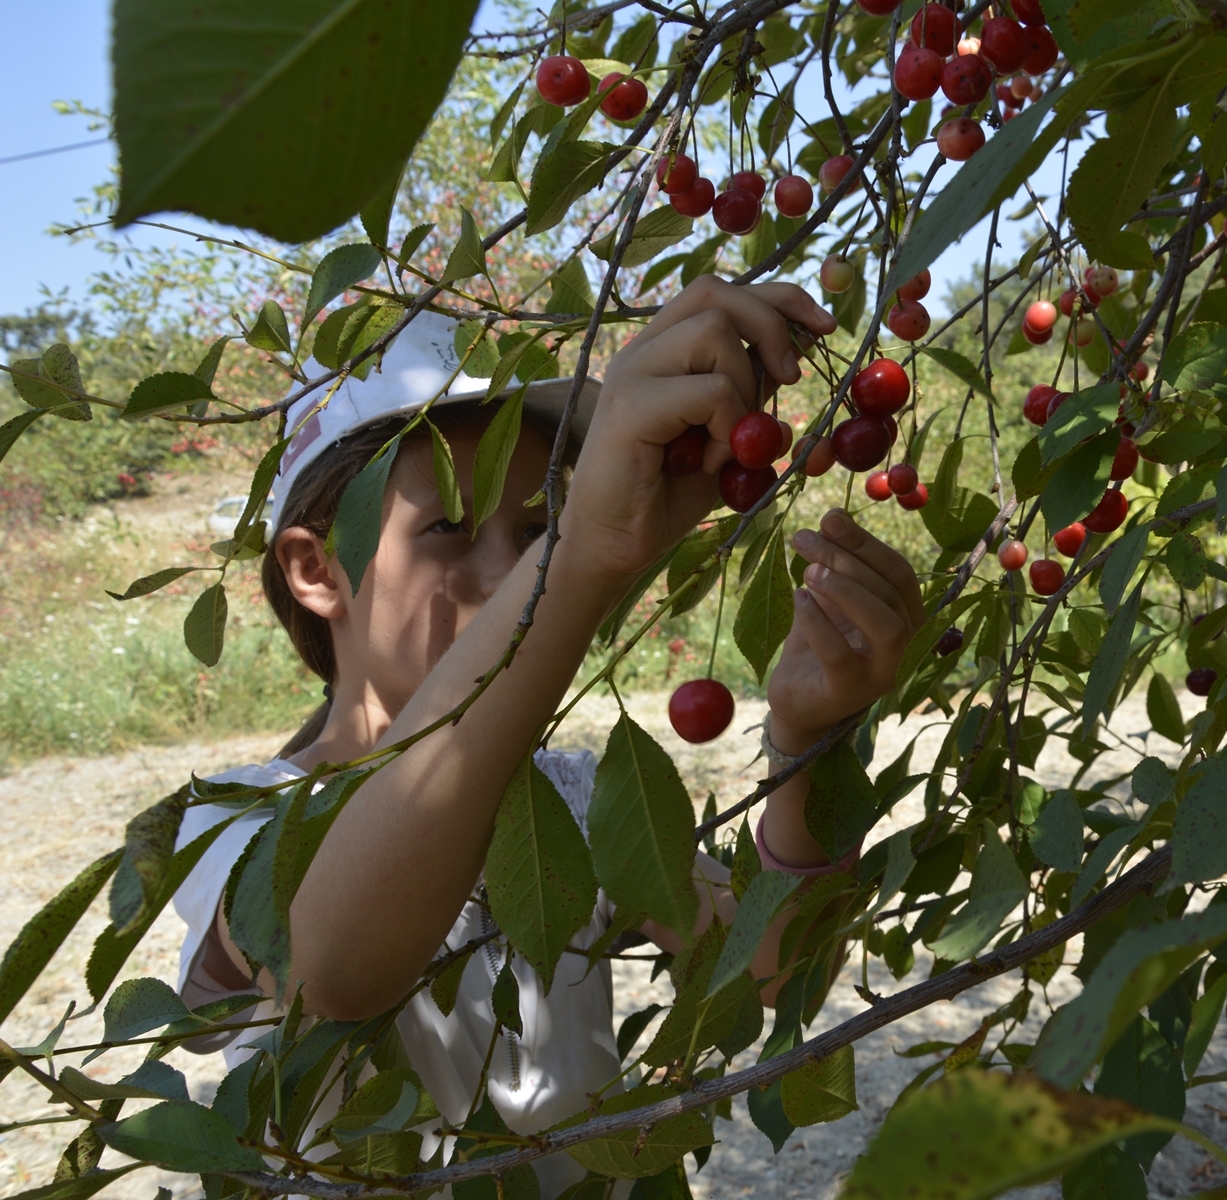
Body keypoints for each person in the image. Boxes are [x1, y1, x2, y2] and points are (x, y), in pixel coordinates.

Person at [169, 278, 924, 1192]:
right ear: (315, 569)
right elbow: (335, 970)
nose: (510, 572)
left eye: (537, 528)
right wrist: (576, 557)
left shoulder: (569, 795)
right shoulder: (240, 822)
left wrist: (806, 740)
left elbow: (769, 970)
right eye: (449, 528)